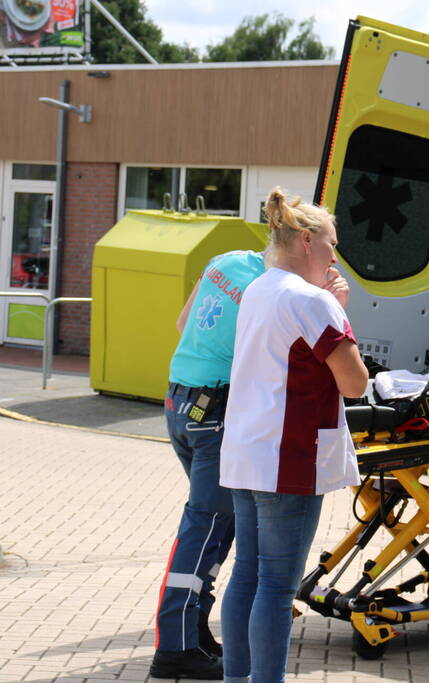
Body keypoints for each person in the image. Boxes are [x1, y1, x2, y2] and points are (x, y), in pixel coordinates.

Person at [218, 188, 368, 683]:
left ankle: (236, 677)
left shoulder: (261, 287)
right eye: (330, 245)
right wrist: (339, 309)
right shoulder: (310, 300)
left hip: (246, 450)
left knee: (247, 575)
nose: (333, 256)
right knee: (276, 587)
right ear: (305, 241)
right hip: (289, 457)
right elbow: (354, 382)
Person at [149, 246, 267, 680]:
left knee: (220, 522)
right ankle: (176, 646)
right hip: (215, 413)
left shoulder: (226, 260)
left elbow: (184, 324)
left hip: (180, 401)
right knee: (205, 526)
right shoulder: (268, 287)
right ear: (303, 242)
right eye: (330, 245)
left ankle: (193, 629)